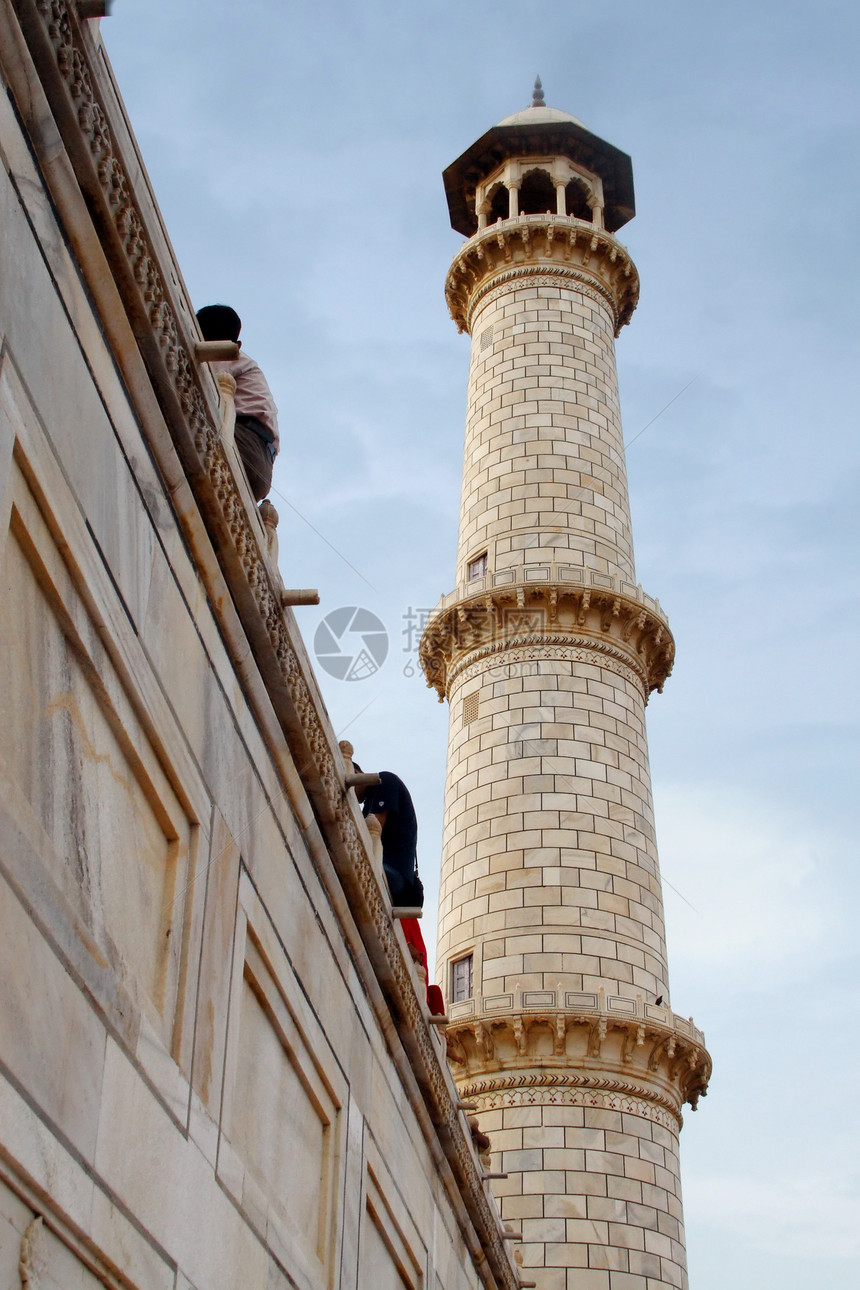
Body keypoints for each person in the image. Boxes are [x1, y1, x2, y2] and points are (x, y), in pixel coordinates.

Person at [196, 304, 279, 501]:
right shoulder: (245, 364)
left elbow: (197, 380)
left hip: (245, 445)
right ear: (238, 343)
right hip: (262, 463)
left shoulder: (226, 356)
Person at [353, 765, 424, 909]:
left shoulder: (383, 780)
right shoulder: (368, 803)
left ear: (354, 774)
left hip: (393, 872)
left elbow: (373, 829)